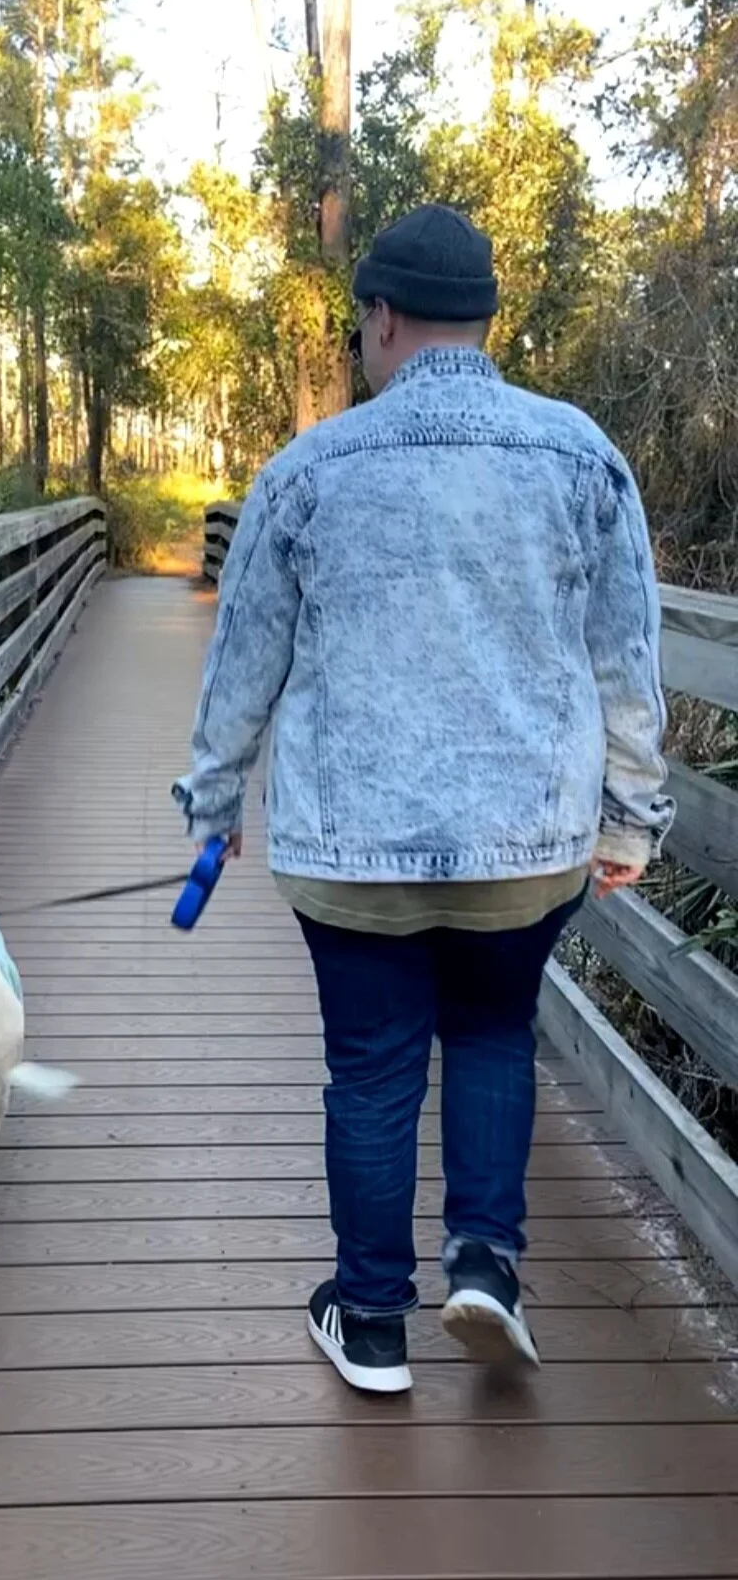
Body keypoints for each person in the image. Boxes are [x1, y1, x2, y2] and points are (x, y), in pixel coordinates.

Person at [173, 202, 673, 1394]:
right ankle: (486, 1265)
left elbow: (244, 659)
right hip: (526, 849)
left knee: (373, 1066)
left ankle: (372, 1322)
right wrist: (631, 815)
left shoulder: (308, 471)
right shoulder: (580, 456)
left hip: (353, 852)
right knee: (494, 1032)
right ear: (486, 319)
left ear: (382, 318)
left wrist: (214, 803)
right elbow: (626, 656)